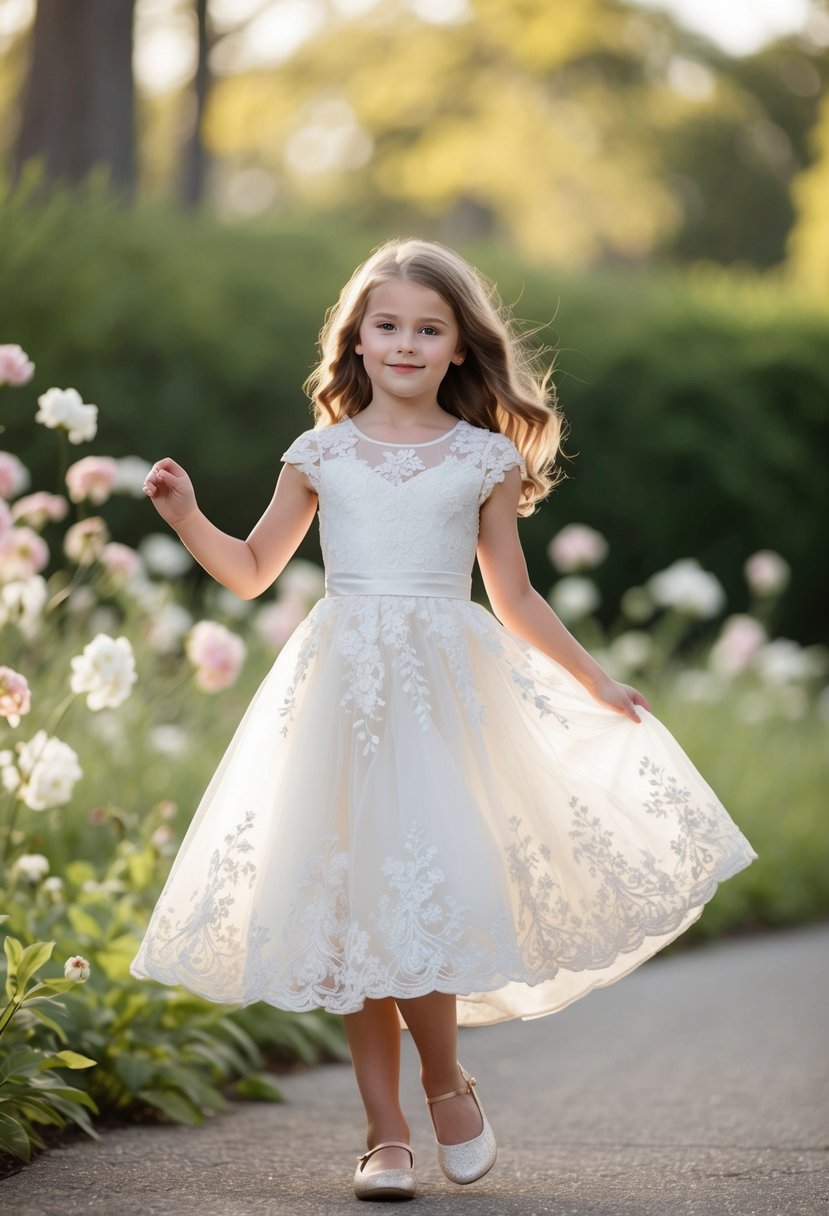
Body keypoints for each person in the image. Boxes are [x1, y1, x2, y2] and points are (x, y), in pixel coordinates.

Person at [130, 237, 757, 1201]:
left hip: (437, 699)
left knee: (411, 894)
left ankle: (444, 1082)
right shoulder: (321, 454)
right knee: (352, 915)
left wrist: (593, 679)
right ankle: (383, 1136)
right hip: (340, 698)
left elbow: (513, 597)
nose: (407, 343)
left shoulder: (480, 459)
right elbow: (253, 570)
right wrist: (185, 517)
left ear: (460, 348)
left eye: (429, 329)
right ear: (358, 340)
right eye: (388, 326)